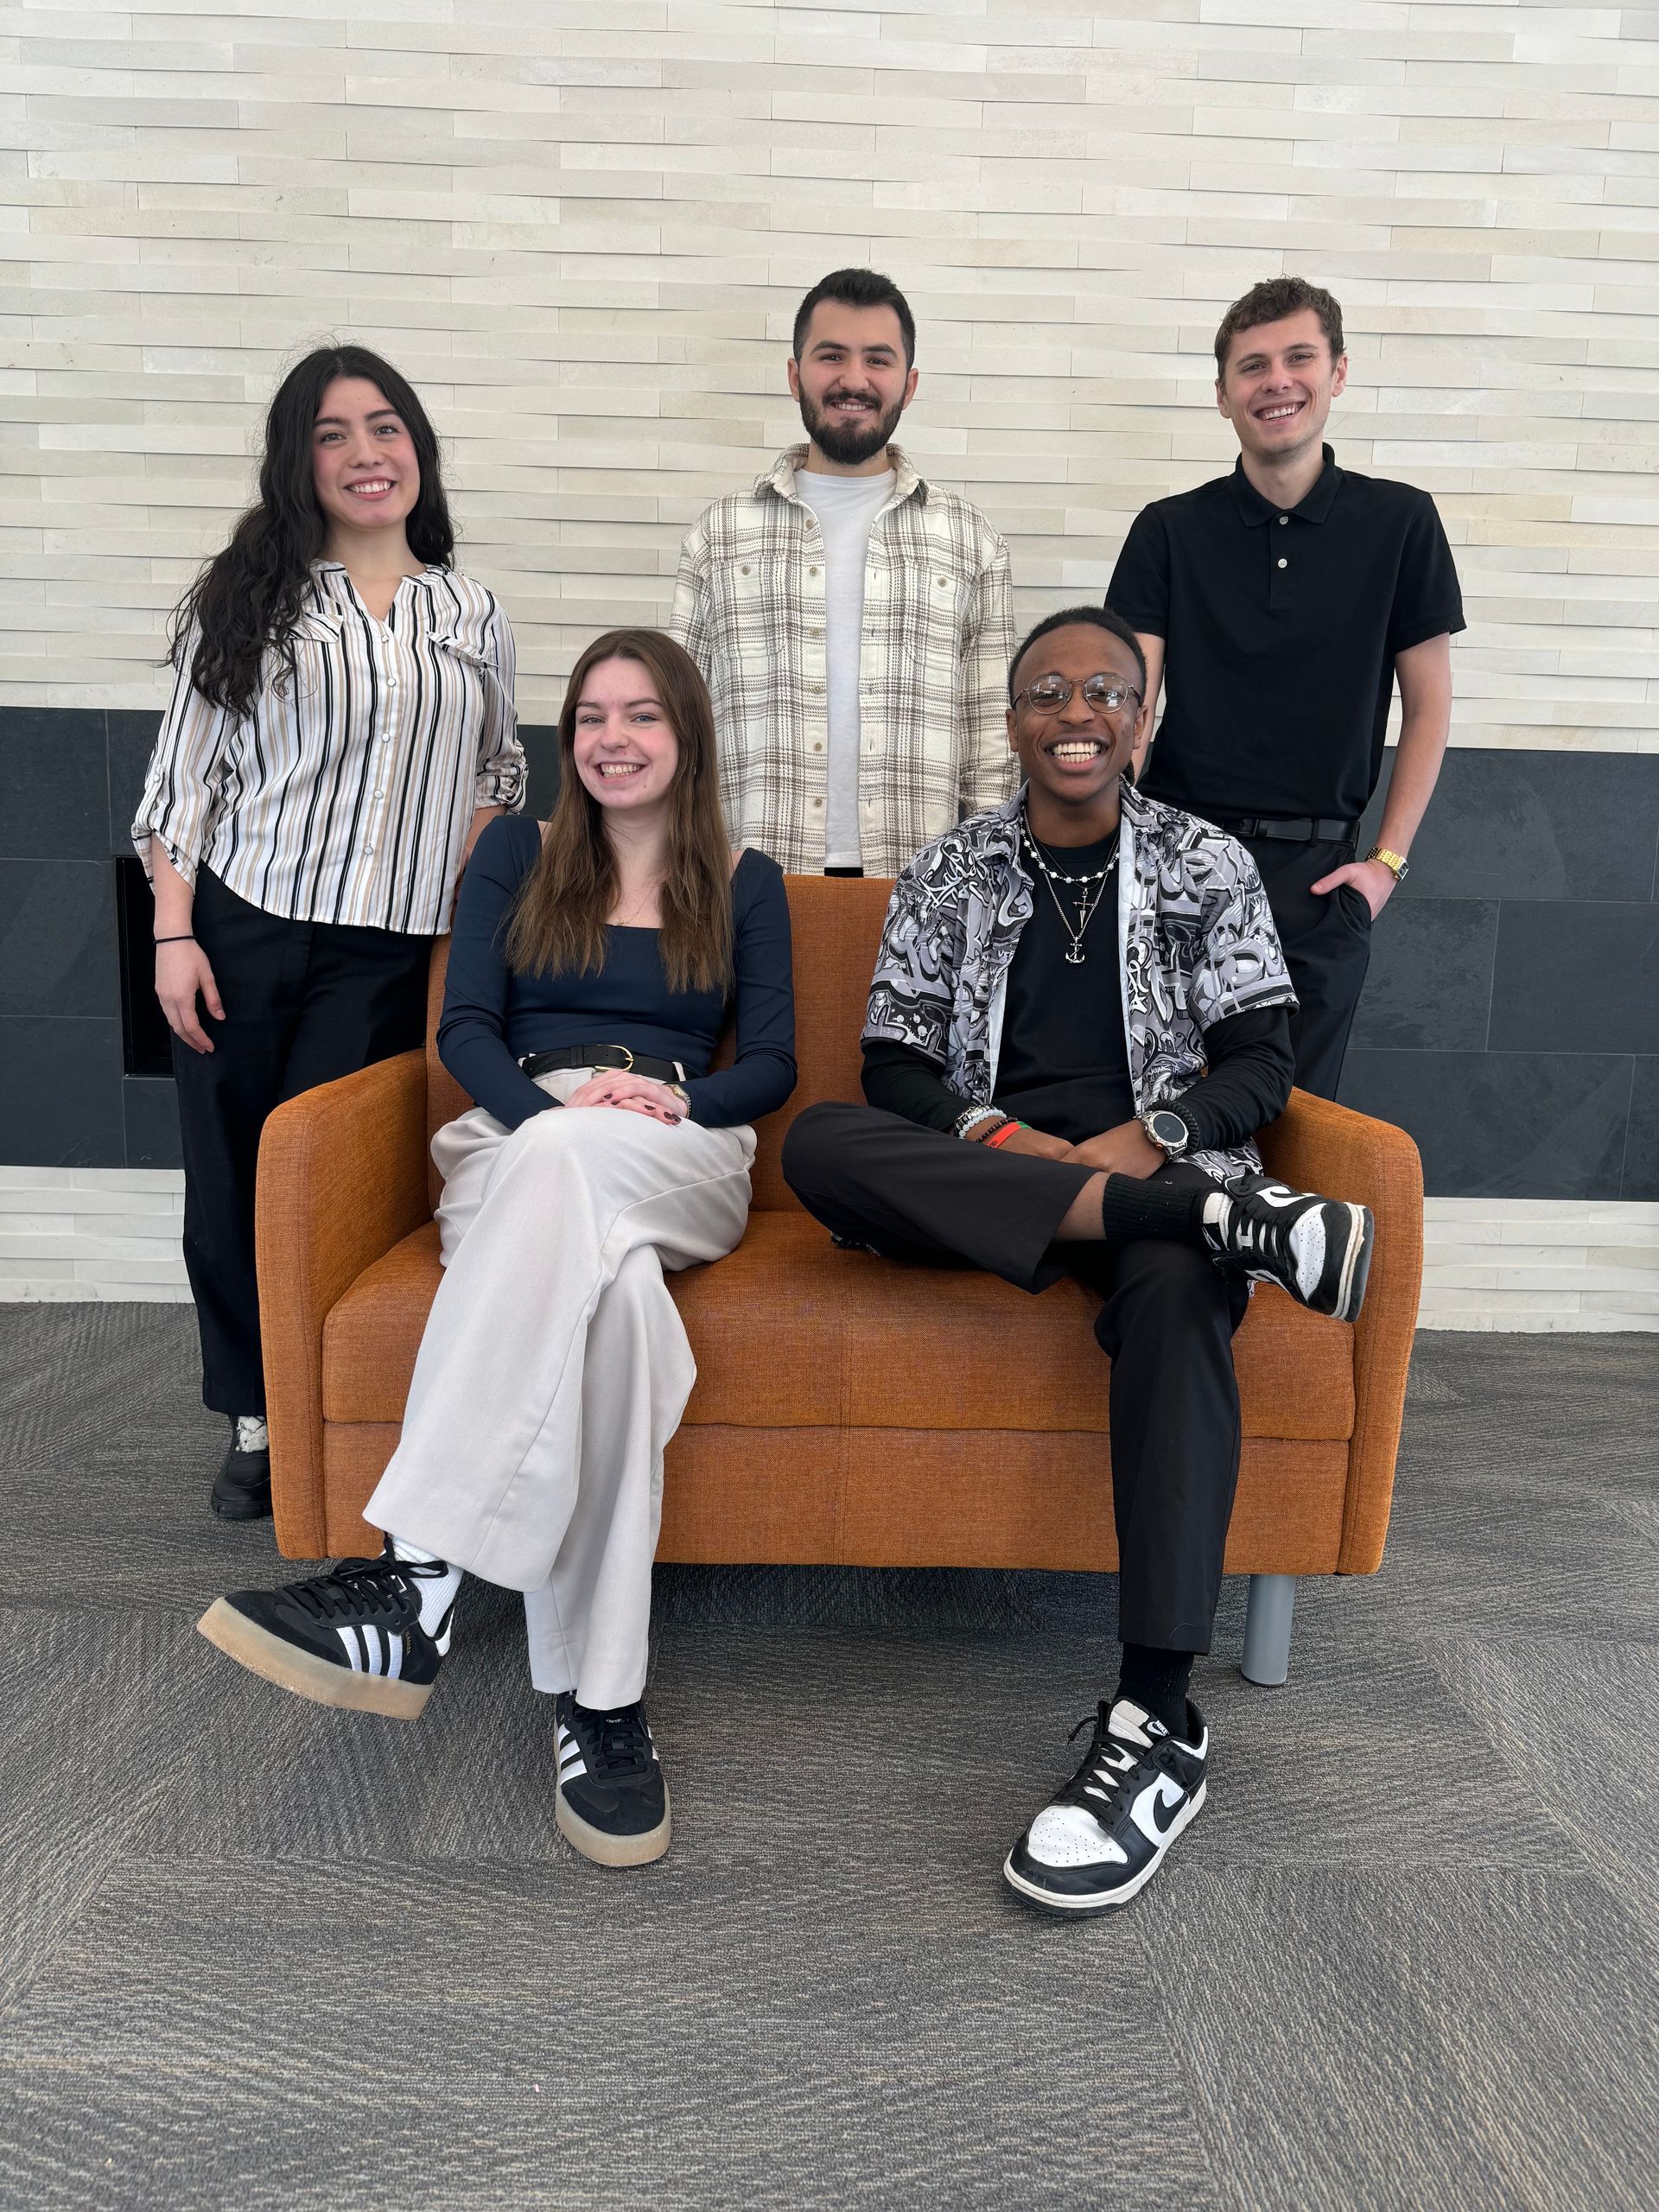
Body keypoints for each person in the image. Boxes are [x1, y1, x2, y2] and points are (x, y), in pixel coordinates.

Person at [781, 606, 1375, 1916]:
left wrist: (1144, 1144)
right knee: (821, 1143)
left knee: (1175, 1304)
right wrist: (1011, 1147)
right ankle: (1221, 1223)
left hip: (1155, 1172)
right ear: (1012, 723)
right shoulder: (953, 870)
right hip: (987, 1185)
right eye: (1048, 691)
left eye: (1104, 692)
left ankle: (1157, 1724)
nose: (1076, 713)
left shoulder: (1205, 863)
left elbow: (1263, 1061)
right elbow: (893, 1065)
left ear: (1141, 722)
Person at [197, 630, 796, 1869]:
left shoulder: (744, 878)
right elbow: (464, 1030)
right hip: (521, 1136)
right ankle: (603, 1703)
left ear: (686, 735)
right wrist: (550, 1126)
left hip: (678, 1144)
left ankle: (417, 1580)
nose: (612, 739)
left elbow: (775, 1064)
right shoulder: (516, 854)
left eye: (640, 715)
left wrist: (680, 1107)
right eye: (589, 717)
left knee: (598, 1201)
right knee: (619, 1310)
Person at [134, 344, 524, 1521]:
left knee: (332, 1190)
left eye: (387, 427)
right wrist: (172, 932)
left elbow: (498, 765)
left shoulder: (473, 611)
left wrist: (465, 885)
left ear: (420, 449)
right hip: (244, 929)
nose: (367, 454)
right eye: (334, 434)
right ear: (299, 461)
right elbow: (181, 785)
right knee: (237, 1181)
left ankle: (336, 1395)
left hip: (385, 954)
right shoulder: (251, 597)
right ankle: (258, 1411)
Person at [1107, 276, 1465, 1098]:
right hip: (1177, 864)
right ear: (1223, 395)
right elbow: (1132, 699)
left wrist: (1386, 866)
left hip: (1321, 878)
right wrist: (1123, 858)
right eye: (1252, 366)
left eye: (1299, 357)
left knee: (1297, 1131)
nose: (1277, 381)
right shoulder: (1168, 530)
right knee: (1166, 1116)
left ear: (1337, 372)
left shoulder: (1402, 523)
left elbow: (1430, 705)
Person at [671, 265, 1015, 877]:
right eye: (832, 356)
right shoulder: (718, 535)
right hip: (746, 878)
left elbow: (991, 749)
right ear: (794, 374)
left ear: (909, 384)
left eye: (877, 361)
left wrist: (982, 883)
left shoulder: (970, 541)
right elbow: (677, 724)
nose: (853, 380)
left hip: (921, 885)